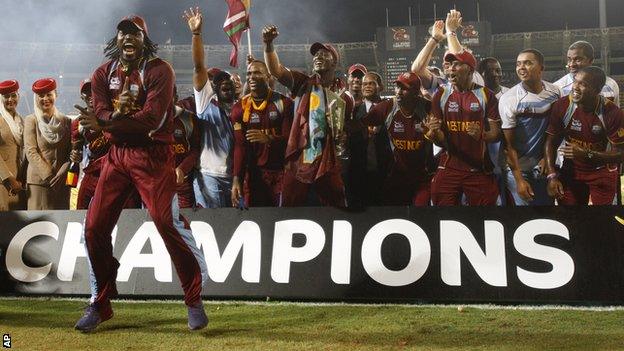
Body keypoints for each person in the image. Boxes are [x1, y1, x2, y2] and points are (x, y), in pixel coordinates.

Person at [74, 15, 208, 332]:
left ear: (144, 40)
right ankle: (100, 303)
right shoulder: (102, 74)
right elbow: (102, 116)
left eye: (135, 33)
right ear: (116, 41)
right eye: (122, 33)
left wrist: (111, 120)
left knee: (165, 222)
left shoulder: (160, 71)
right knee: (93, 228)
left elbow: (151, 120)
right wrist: (113, 117)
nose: (128, 38)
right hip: (118, 156)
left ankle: (193, 299)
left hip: (153, 157)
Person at [263, 24, 350, 207]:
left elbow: (346, 129)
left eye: (324, 54)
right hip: (302, 156)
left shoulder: (344, 96)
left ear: (334, 62)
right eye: (316, 55)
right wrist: (268, 44)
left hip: (329, 158)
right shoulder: (303, 83)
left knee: (337, 209)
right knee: (289, 207)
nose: (318, 57)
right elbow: (276, 71)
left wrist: (343, 136)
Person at [425, 51, 502, 206]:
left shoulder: (486, 95)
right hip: (449, 166)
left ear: (470, 70)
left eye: (457, 64)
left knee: (487, 215)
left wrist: (482, 135)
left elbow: (496, 134)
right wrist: (433, 133)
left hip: (478, 168)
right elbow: (441, 141)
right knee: (441, 213)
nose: (451, 69)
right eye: (450, 65)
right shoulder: (440, 95)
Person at [545, 66, 624, 205]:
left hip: (602, 172)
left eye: (583, 84)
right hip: (571, 170)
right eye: (575, 81)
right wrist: (552, 176)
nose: (575, 87)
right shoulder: (562, 105)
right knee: (570, 218)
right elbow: (551, 142)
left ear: (597, 90)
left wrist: (587, 154)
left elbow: (620, 154)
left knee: (603, 220)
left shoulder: (612, 112)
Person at [184, 8, 236, 208]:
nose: (224, 83)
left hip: (236, 175)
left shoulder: (241, 108)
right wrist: (196, 34)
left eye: (228, 80)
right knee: (214, 225)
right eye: (219, 81)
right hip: (209, 176)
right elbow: (198, 67)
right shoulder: (206, 102)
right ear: (212, 87)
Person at [499, 49, 562, 205]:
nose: (521, 67)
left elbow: (558, 129)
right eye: (518, 64)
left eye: (528, 63)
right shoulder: (510, 99)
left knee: (546, 213)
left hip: (545, 166)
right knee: (524, 218)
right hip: (520, 170)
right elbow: (508, 146)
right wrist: (519, 179)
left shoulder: (555, 92)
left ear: (541, 67)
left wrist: (547, 159)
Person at [362, 72, 434, 205]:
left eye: (404, 88)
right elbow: (359, 124)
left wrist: (433, 134)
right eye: (397, 87)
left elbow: (444, 139)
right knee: (395, 214)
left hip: (423, 177)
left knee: (421, 211)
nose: (399, 92)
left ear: (416, 92)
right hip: (398, 175)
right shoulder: (388, 106)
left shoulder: (428, 108)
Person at [70, 79, 141, 209]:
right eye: (87, 93)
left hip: (120, 173)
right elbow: (77, 149)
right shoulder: (78, 123)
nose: (91, 96)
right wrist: (75, 155)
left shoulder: (117, 113)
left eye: (93, 91)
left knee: (129, 215)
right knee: (82, 211)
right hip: (94, 174)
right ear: (82, 97)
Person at [230, 60, 293, 207]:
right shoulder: (239, 108)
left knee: (279, 220)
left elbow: (291, 141)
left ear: (268, 76)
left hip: (280, 173)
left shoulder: (284, 103)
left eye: (257, 73)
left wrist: (269, 138)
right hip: (253, 175)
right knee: (256, 220)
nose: (251, 77)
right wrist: (236, 179)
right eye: (249, 73)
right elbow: (240, 146)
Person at [24, 78, 71, 210]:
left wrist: (62, 172)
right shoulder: (31, 120)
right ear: (36, 98)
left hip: (62, 183)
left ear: (56, 95)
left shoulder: (66, 121)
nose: (45, 98)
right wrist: (50, 176)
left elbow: (71, 151)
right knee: (39, 225)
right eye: (41, 95)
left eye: (49, 94)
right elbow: (31, 152)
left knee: (60, 225)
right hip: (39, 183)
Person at [478, 57, 511, 205]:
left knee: (506, 199)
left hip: (506, 156)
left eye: (498, 70)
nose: (496, 74)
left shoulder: (510, 95)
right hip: (484, 156)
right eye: (491, 71)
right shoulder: (475, 95)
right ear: (481, 74)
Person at [554, 41, 620, 107]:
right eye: (569, 59)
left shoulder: (611, 84)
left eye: (578, 59)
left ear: (591, 60)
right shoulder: (558, 87)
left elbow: (616, 114)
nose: (571, 64)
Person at [172, 86, 201, 208]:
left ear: (176, 98)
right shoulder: (149, 119)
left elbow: (195, 149)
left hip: (182, 182)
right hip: (155, 183)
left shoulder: (188, 118)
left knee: (184, 219)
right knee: (153, 222)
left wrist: (182, 168)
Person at [0, 80, 25, 210]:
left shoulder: (21, 120)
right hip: (3, 183)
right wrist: (10, 179)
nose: (10, 99)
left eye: (13, 95)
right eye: (6, 96)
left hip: (19, 184)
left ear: (18, 96)